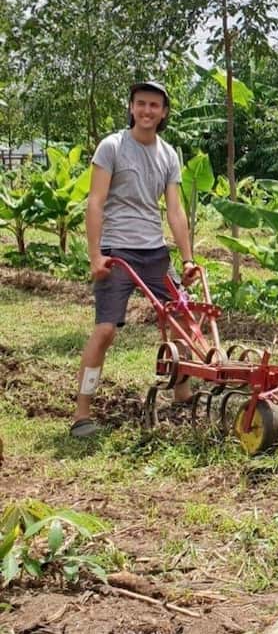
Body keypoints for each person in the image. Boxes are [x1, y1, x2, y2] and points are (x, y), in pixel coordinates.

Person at [70, 81, 199, 438]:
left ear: (164, 112)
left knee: (185, 322)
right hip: (117, 251)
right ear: (130, 107)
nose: (147, 111)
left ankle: (182, 391)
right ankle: (82, 412)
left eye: (154, 105)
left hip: (155, 252)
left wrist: (186, 260)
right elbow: (95, 203)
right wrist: (95, 255)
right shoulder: (112, 147)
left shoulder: (169, 154)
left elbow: (174, 211)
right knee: (106, 329)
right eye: (141, 104)